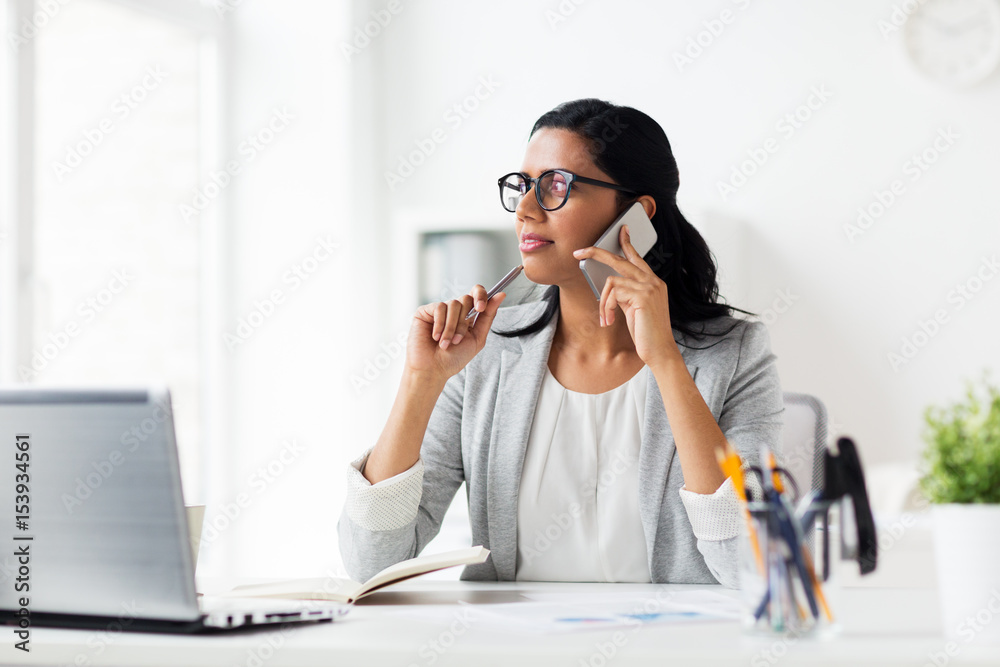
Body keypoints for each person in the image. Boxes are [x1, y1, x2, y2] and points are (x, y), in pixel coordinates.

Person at [338, 98, 783, 588]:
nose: (526, 210)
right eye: (522, 186)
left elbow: (748, 565)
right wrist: (421, 381)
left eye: (555, 186)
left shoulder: (735, 354)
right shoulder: (488, 353)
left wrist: (666, 362)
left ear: (636, 214)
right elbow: (371, 563)